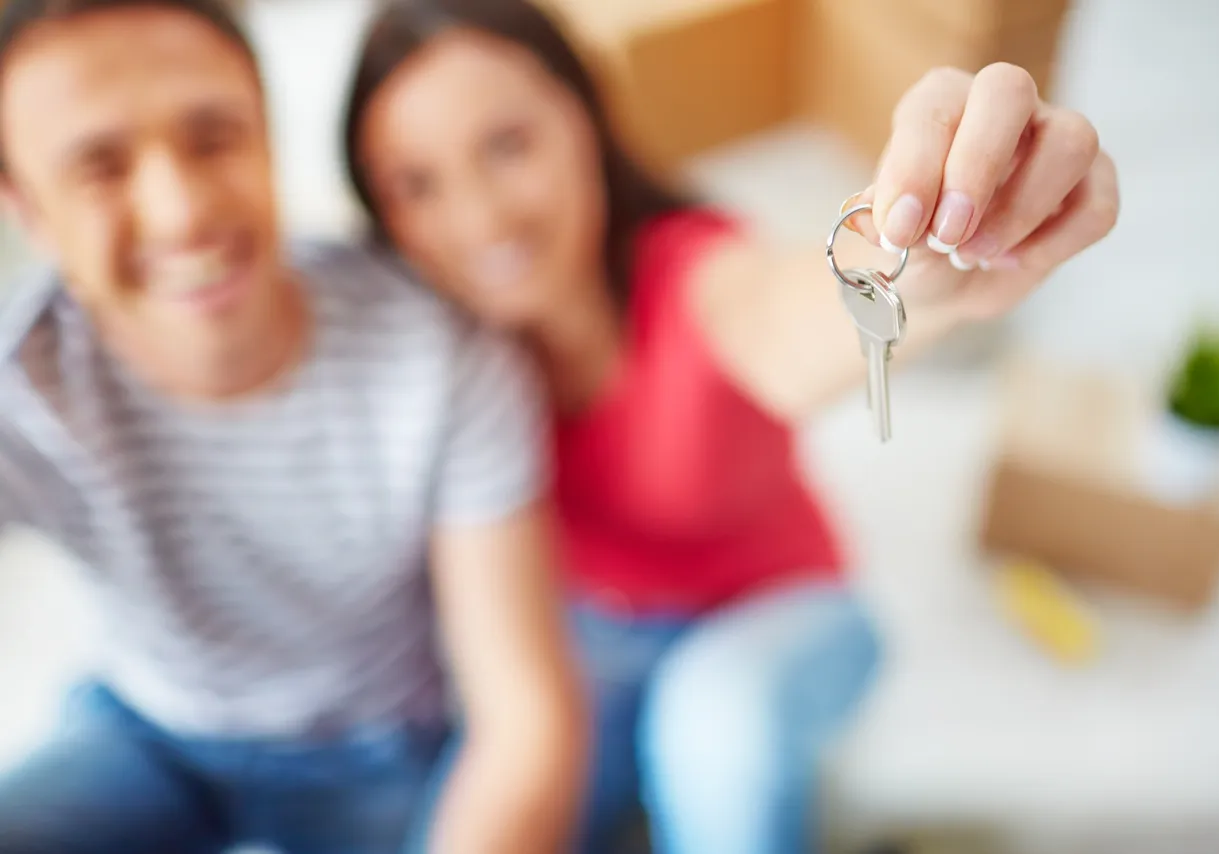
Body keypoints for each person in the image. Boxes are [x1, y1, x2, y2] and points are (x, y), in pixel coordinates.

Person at [342, 1, 1120, 853]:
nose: (480, 217)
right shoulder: (437, 356)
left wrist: (913, 254)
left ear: (585, 111)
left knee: (717, 718)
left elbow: (784, 316)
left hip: (777, 614)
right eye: (416, 184)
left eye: (507, 145)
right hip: (596, 638)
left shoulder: (698, 275)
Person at [0, 1, 586, 852]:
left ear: (269, 141)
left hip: (379, 760)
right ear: (26, 205)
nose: (181, 212)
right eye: (101, 167)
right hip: (148, 736)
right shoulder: (20, 384)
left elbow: (522, 719)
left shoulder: (436, 354)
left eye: (214, 139)